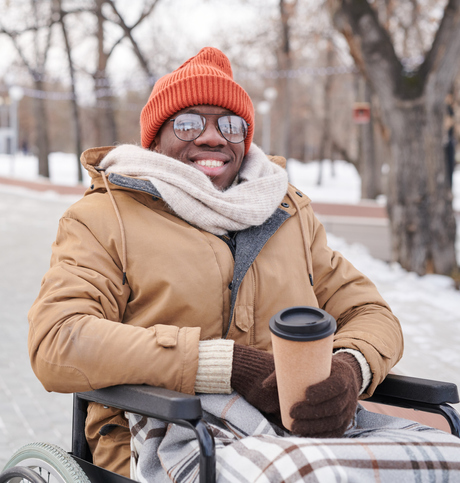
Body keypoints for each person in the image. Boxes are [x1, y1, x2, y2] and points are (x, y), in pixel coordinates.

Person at [27, 47, 403, 477]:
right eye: (187, 123)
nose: (212, 137)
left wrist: (351, 366)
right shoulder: (102, 217)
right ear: (155, 139)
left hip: (293, 433)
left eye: (230, 124)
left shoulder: (289, 214)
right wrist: (226, 367)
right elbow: (56, 339)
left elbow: (371, 313)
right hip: (157, 432)